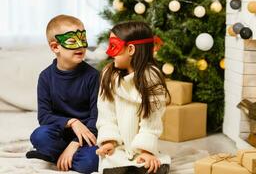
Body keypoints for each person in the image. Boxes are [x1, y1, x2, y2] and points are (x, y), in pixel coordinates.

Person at [26, 15, 99, 173]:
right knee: (39, 136)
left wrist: (74, 144)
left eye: (83, 38)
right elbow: (44, 117)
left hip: (86, 136)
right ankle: (60, 155)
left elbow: (96, 118)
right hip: (59, 133)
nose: (80, 46)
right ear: (55, 47)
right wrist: (72, 122)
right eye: (72, 41)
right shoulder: (45, 77)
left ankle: (54, 156)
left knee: (90, 163)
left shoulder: (93, 76)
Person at [96, 21, 171, 174]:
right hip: (119, 149)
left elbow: (151, 122)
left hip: (143, 150)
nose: (109, 53)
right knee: (111, 168)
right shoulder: (109, 76)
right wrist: (109, 141)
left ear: (130, 49)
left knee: (152, 168)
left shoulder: (152, 79)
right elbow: (106, 114)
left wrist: (146, 151)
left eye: (113, 46)